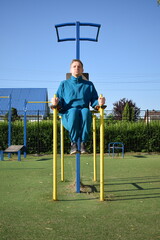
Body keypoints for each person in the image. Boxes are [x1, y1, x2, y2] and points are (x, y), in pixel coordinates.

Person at [51, 59, 105, 154]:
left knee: (85, 111)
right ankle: (73, 143)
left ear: (82, 70)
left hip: (83, 112)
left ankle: (83, 143)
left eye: (79, 67)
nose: (77, 68)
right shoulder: (64, 84)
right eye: (74, 66)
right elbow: (59, 99)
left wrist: (99, 103)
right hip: (69, 113)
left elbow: (94, 100)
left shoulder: (89, 85)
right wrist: (55, 103)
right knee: (74, 111)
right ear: (70, 70)